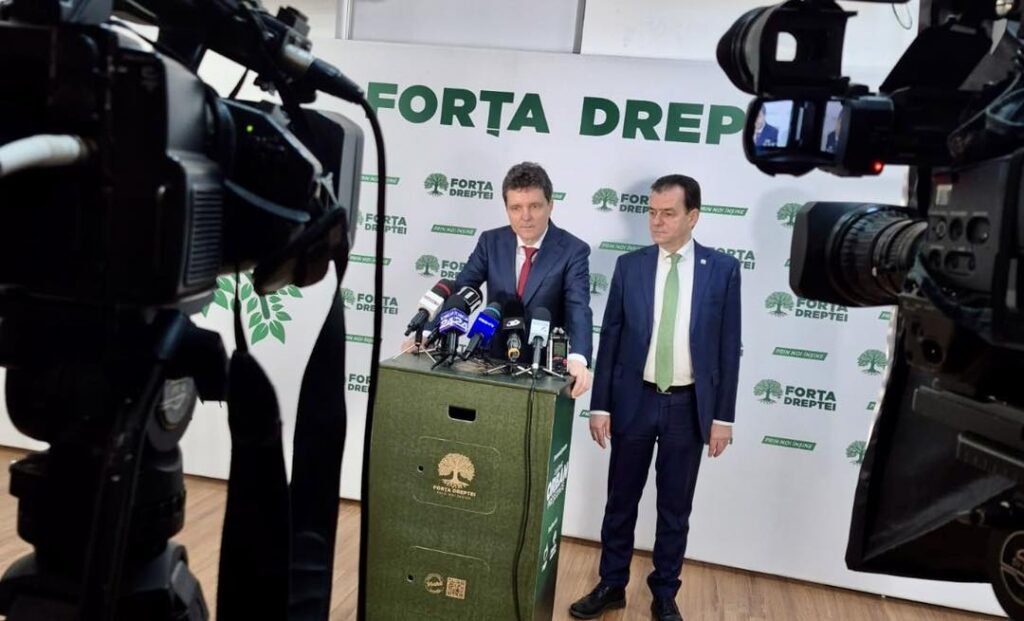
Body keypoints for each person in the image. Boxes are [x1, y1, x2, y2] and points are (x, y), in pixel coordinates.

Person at [569, 174, 741, 620]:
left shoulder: (723, 270)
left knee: (674, 508)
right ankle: (611, 584)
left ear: (692, 216)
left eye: (668, 213)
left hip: (689, 406)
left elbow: (729, 347)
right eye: (651, 212)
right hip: (635, 401)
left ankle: (665, 593)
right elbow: (611, 338)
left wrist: (723, 418)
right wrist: (600, 405)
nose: (656, 221)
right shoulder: (630, 266)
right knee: (620, 501)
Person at [453, 162, 593, 397]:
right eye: (516, 208)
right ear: (507, 209)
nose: (525, 217)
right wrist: (427, 334)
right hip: (490, 363)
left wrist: (578, 357)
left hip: (545, 372)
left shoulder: (573, 250)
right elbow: (462, 290)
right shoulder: (490, 242)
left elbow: (578, 307)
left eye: (534, 206)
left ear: (550, 205)